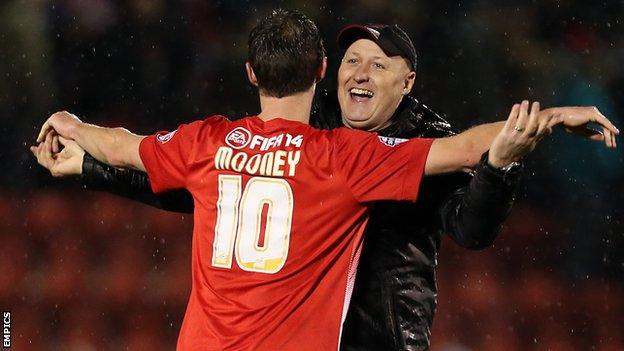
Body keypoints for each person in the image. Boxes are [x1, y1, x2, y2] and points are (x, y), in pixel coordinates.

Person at [31, 10, 618, 351]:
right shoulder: (338, 153)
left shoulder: (213, 140)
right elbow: (467, 146)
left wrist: (78, 135)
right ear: (322, 72)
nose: (360, 72)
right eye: (351, 61)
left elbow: (135, 152)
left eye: (378, 64)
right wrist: (549, 120)